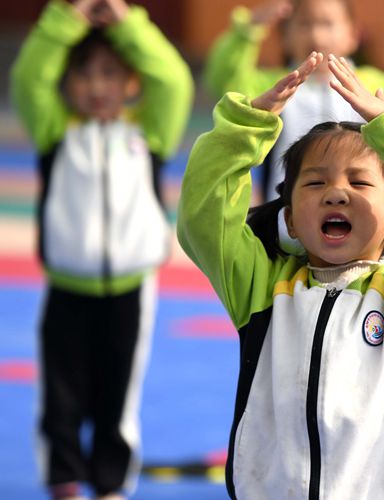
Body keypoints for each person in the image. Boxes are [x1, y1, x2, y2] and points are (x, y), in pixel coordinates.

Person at [177, 52, 384, 499]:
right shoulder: (264, 290)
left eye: (360, 183)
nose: (336, 193)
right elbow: (202, 217)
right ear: (290, 220)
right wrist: (245, 127)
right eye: (315, 183)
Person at [9, 0, 193, 498]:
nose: (96, 86)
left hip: (132, 288)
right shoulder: (55, 131)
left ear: (132, 82)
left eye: (110, 73)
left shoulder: (149, 132)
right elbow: (28, 77)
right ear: (68, 83)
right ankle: (65, 478)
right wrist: (67, 20)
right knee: (61, 396)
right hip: (67, 286)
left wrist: (127, 23)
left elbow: (174, 80)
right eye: (85, 75)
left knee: (118, 395)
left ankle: (111, 484)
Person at [203, 0, 384, 203]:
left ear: (353, 35)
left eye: (327, 24)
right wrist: (247, 31)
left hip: (361, 213)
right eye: (304, 24)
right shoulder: (273, 86)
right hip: (286, 213)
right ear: (285, 35)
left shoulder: (373, 86)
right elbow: (225, 83)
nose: (316, 35)